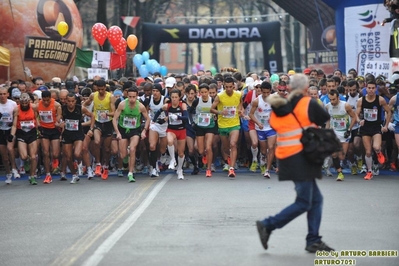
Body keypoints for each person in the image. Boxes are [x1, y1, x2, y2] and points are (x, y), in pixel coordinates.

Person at [256, 74, 334, 253]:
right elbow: (323, 118)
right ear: (306, 88)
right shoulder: (308, 103)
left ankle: (313, 239)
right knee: (304, 201)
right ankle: (268, 225)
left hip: (286, 157)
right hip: (303, 157)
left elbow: (275, 124)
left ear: (289, 88)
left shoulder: (280, 106)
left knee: (315, 199)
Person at [113, 88, 150, 182]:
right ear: (127, 96)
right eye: (130, 97)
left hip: (135, 130)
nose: (132, 99)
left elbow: (148, 119)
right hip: (123, 129)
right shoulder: (122, 105)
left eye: (134, 97)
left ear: (137, 96)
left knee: (133, 149)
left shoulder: (140, 106)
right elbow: (114, 119)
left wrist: (144, 131)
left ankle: (130, 173)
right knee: (123, 155)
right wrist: (117, 132)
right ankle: (126, 160)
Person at [356, 79, 392, 180]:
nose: (371, 90)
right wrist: (359, 121)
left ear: (376, 89)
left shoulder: (380, 99)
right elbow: (356, 114)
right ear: (366, 89)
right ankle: (369, 171)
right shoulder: (361, 100)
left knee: (376, 147)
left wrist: (386, 125)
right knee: (368, 152)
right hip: (365, 128)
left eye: (373, 88)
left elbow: (389, 112)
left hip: (376, 127)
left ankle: (378, 152)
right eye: (369, 88)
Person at [210, 76, 244, 178]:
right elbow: (211, 109)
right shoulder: (219, 96)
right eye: (227, 87)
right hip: (223, 125)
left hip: (234, 124)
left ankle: (232, 168)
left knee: (233, 144)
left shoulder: (238, 94)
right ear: (224, 86)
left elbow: (241, 103)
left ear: (234, 86)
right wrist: (220, 112)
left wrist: (240, 110)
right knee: (226, 147)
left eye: (230, 87)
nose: (229, 89)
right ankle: (228, 159)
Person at [152, 89, 190, 180]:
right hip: (171, 129)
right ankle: (173, 159)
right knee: (169, 141)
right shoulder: (167, 106)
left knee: (181, 153)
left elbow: (186, 118)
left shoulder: (182, 105)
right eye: (172, 97)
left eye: (176, 97)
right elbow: (158, 111)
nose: (174, 99)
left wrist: (178, 117)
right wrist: (154, 121)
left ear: (179, 97)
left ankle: (180, 169)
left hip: (181, 130)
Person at [84, 79, 116, 180]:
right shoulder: (93, 95)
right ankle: (98, 164)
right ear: (97, 88)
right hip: (98, 122)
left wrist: (106, 114)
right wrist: (81, 106)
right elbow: (86, 103)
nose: (101, 91)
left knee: (107, 149)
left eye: (103, 89)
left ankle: (105, 166)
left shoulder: (110, 97)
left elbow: (114, 112)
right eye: (99, 89)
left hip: (108, 123)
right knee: (97, 142)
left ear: (105, 88)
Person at [325, 89, 359, 181]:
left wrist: (349, 129)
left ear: (338, 98)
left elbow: (354, 117)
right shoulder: (328, 107)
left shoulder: (345, 105)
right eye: (330, 99)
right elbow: (328, 119)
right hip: (334, 132)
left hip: (344, 133)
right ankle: (340, 173)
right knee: (334, 154)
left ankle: (354, 163)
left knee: (342, 156)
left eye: (334, 99)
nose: (332, 102)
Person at [60, 93, 93, 184]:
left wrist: (91, 128)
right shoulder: (62, 108)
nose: (70, 103)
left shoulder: (80, 108)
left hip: (78, 134)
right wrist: (59, 123)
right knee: (68, 157)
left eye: (72, 101)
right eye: (69, 101)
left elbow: (92, 116)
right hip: (67, 134)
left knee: (77, 154)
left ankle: (83, 166)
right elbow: (58, 119)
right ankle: (74, 175)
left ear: (75, 101)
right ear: (66, 101)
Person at [248, 81, 276, 178]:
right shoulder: (256, 101)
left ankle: (267, 170)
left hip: (271, 128)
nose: (266, 95)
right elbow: (250, 114)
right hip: (260, 128)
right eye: (264, 92)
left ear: (270, 91)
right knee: (263, 151)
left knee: (271, 148)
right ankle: (262, 159)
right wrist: (258, 123)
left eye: (268, 92)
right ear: (261, 91)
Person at [11, 93, 39, 185]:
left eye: (26, 103)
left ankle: (32, 176)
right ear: (20, 102)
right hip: (21, 133)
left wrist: (40, 128)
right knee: (23, 156)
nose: (24, 105)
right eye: (22, 103)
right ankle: (27, 161)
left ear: (28, 102)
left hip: (31, 132)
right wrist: (12, 135)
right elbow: (15, 125)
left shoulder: (34, 107)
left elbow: (36, 118)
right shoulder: (16, 110)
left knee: (33, 157)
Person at [37, 90, 62, 184]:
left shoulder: (56, 105)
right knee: (45, 152)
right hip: (44, 130)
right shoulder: (38, 104)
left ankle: (55, 160)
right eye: (44, 100)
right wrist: (38, 122)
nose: (46, 102)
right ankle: (48, 174)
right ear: (42, 99)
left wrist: (57, 120)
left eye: (48, 100)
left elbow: (59, 114)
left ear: (50, 98)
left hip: (54, 130)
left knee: (55, 154)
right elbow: (35, 114)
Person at [0, 87, 19, 184]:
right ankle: (8, 173)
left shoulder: (12, 104)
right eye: (0, 94)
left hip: (10, 130)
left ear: (8, 94)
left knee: (10, 148)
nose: (2, 96)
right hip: (1, 131)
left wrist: (13, 131)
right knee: (4, 157)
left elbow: (16, 118)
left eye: (4, 94)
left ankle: (14, 168)